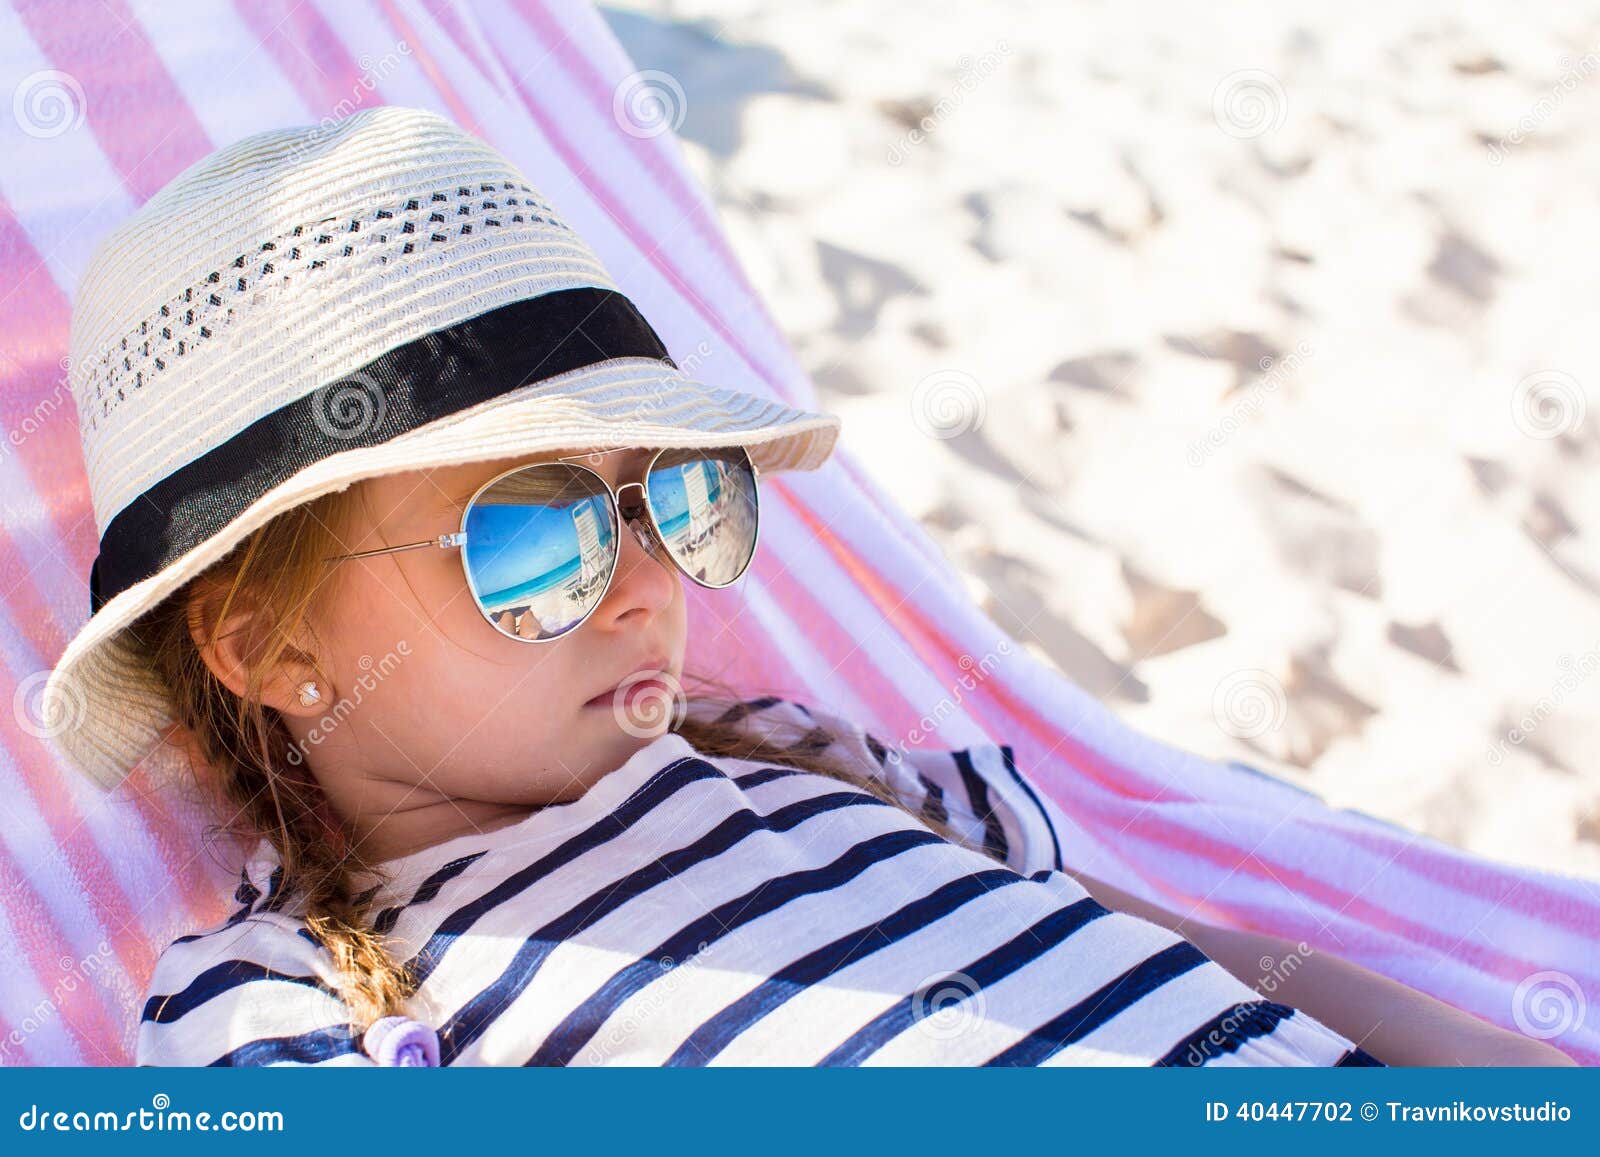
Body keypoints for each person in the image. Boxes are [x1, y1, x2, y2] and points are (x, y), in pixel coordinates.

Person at [45, 106, 1566, 1068]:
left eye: (681, 499)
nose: (651, 587)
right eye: (537, 535)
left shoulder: (814, 762)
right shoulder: (293, 1001)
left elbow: (1192, 950)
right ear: (271, 645)